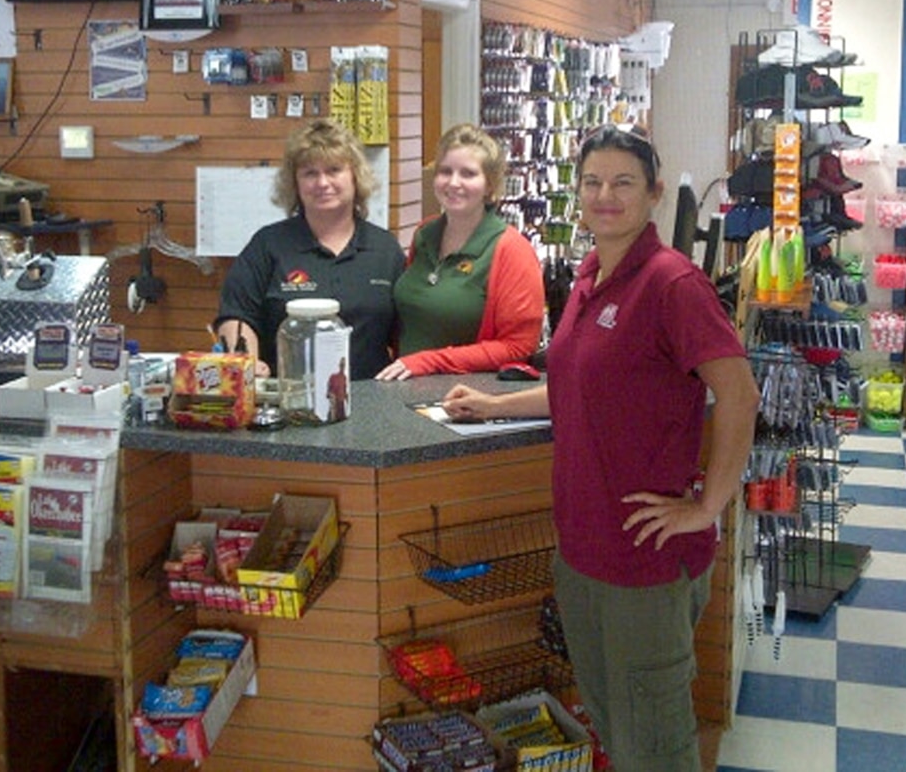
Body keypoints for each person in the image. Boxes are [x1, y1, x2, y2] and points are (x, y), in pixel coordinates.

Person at [441, 125, 760, 772]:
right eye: (592, 182)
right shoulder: (591, 276)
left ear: (654, 194)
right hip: (582, 552)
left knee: (657, 748)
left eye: (623, 183)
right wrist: (496, 406)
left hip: (644, 564)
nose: (605, 195)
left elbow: (740, 394)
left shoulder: (672, 284)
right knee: (615, 731)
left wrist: (708, 506)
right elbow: (576, 384)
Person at [214, 119, 405, 380]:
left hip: (369, 399)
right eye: (310, 173)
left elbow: (406, 331)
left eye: (334, 170)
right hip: (287, 399)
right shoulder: (268, 245)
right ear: (295, 183)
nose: (322, 183)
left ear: (355, 176)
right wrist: (247, 363)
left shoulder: (385, 250)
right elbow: (237, 315)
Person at [374, 123, 544, 380]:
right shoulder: (424, 234)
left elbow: (518, 347)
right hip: (404, 392)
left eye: (468, 174)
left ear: (490, 184)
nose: (454, 183)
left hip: (466, 399)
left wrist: (430, 361)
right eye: (445, 171)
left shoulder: (511, 250)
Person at [327, 357, 348, 422]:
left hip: (341, 406)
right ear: (339, 365)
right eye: (341, 364)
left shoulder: (344, 377)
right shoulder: (333, 377)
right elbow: (329, 390)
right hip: (335, 405)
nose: (342, 367)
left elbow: (345, 391)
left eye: (344, 365)